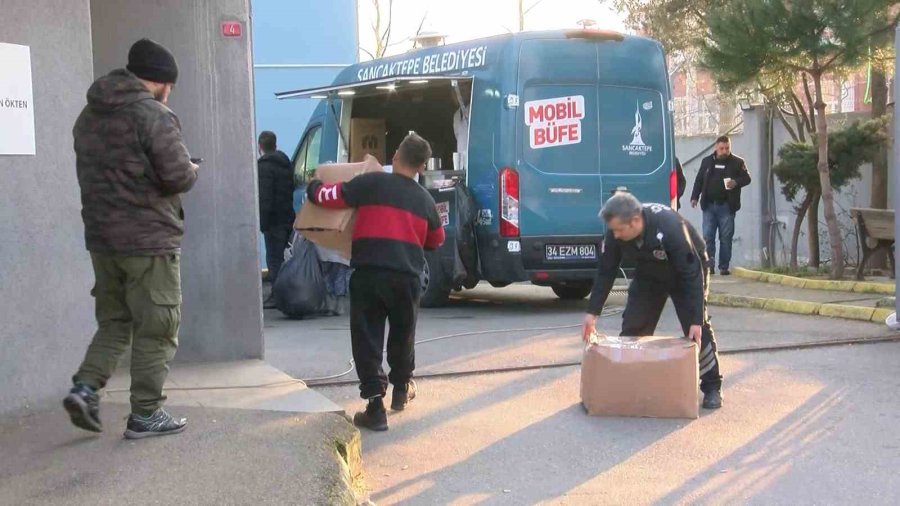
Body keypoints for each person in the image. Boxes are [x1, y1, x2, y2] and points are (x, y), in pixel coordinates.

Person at [66, 39, 199, 439]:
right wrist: (192, 168)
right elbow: (177, 176)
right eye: (170, 85)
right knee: (158, 327)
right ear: (160, 81)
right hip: (148, 241)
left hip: (103, 240)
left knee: (115, 321)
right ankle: (146, 413)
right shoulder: (153, 115)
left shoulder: (89, 115)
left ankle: (85, 388)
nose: (169, 93)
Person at [306, 133, 445, 431]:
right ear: (422, 166)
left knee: (367, 338)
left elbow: (329, 196)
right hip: (407, 278)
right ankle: (401, 390)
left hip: (368, 274)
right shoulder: (425, 201)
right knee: (403, 335)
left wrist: (313, 186)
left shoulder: (370, 183)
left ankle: (375, 407)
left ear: (395, 156)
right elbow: (436, 240)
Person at [581, 193, 723, 410]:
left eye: (619, 230)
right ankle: (630, 383)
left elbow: (691, 272)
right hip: (649, 272)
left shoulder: (669, 226)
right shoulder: (615, 233)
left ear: (635, 221)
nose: (615, 235)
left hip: (687, 271)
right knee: (633, 327)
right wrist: (592, 313)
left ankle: (712, 386)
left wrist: (696, 318)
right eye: (613, 230)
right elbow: (606, 272)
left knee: (696, 329)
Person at [690, 135, 751, 275]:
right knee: (707, 237)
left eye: (727, 148)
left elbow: (747, 178)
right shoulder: (707, 161)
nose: (724, 151)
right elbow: (699, 180)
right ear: (716, 147)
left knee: (726, 238)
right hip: (709, 206)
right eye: (722, 148)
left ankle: (724, 267)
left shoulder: (737, 162)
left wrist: (736, 182)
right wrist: (694, 197)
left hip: (727, 207)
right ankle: (709, 266)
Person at [257, 130, 295, 308]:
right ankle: (287, 292)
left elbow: (265, 199)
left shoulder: (263, 167)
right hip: (287, 218)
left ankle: (277, 296)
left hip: (273, 222)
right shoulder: (286, 164)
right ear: (275, 145)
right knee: (285, 258)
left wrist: (262, 223)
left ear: (260, 147)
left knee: (274, 259)